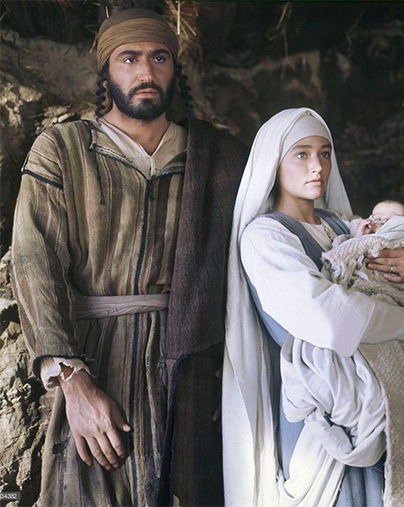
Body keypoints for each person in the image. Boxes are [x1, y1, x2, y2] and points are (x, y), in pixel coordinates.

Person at [11, 9, 248, 507]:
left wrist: (234, 369)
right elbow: (35, 262)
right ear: (106, 70)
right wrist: (74, 384)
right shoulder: (64, 149)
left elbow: (257, 256)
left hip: (192, 369)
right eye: (129, 58)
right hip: (97, 362)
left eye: (159, 58)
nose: (146, 72)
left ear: (174, 69)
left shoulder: (216, 157)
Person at [223, 108, 404, 507]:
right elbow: (325, 316)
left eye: (325, 153)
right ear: (274, 162)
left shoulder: (343, 226)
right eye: (301, 154)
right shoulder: (265, 236)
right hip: (325, 412)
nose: (318, 166)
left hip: (383, 400)